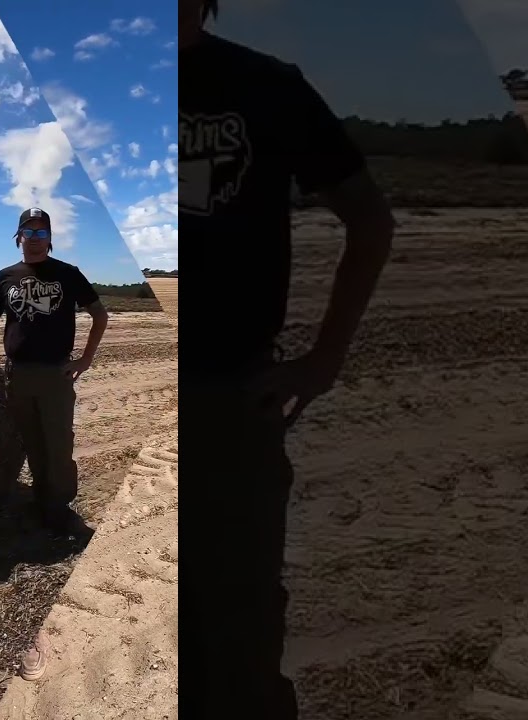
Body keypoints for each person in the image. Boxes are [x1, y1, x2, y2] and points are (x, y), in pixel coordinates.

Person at [180, 1, 395, 718]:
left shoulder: (266, 85)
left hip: (227, 397)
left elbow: (370, 220)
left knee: (238, 623)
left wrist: (324, 359)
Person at [0, 208, 108, 540]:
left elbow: (100, 315)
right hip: (17, 375)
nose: (35, 238)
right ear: (19, 237)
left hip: (55, 374)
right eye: (29, 232)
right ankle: (42, 502)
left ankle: (61, 510)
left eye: (42, 233)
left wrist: (85, 359)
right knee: (32, 442)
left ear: (50, 238)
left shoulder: (68, 273)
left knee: (58, 444)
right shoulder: (6, 276)